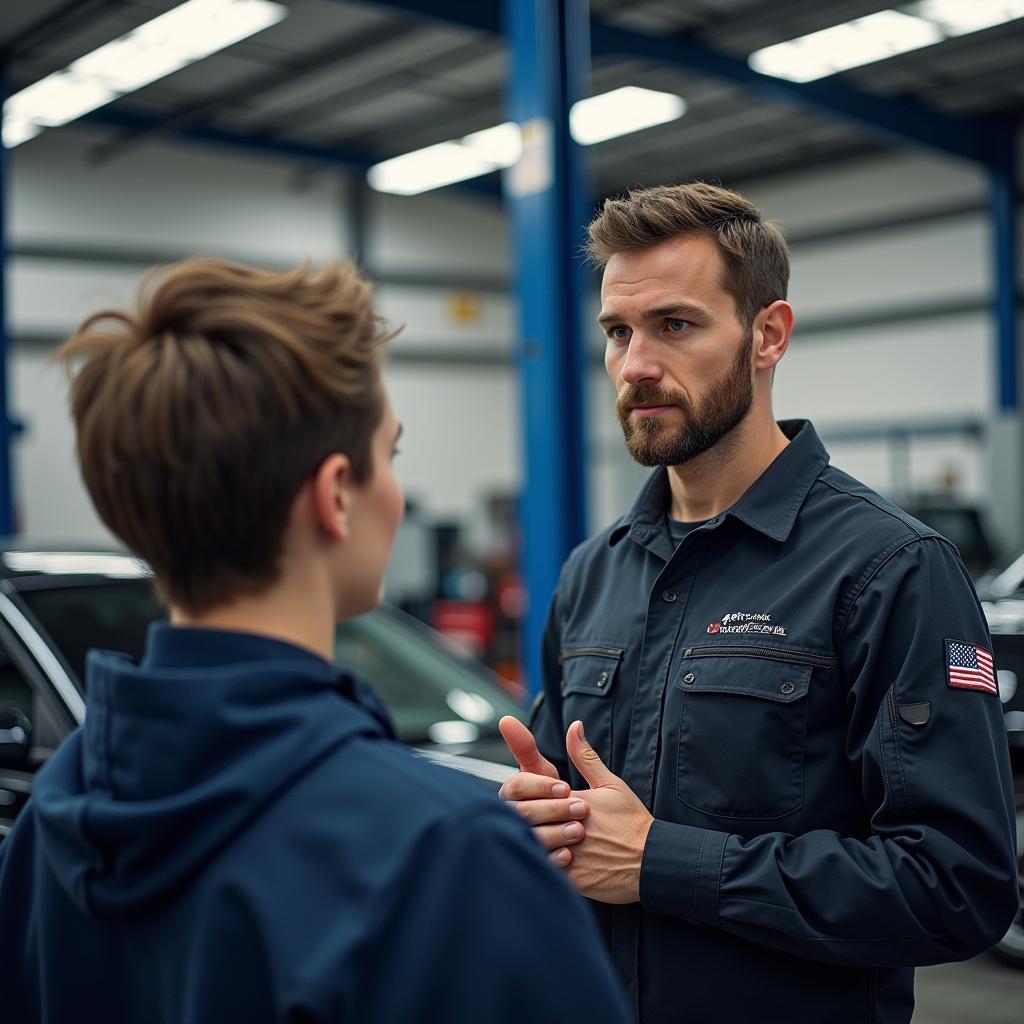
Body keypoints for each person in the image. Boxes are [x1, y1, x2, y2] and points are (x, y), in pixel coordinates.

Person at [0, 259, 630, 1024]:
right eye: (389, 455)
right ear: (335, 493)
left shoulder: (57, 815)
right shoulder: (446, 858)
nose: (393, 490)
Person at [498, 183, 1019, 1023]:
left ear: (768, 335)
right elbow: (583, 817)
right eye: (617, 332)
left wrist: (662, 862)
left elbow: (957, 886)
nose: (635, 366)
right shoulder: (592, 574)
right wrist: (544, 819)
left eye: (675, 325)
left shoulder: (890, 569)